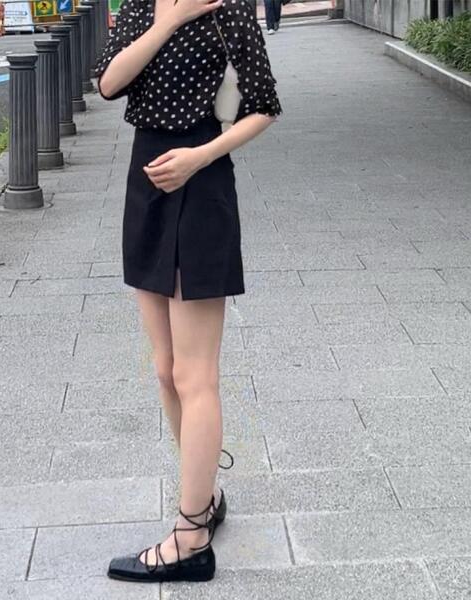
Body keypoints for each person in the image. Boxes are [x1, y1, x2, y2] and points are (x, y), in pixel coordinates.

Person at [95, 0, 281, 584]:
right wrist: (168, 21)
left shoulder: (232, 13)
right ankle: (205, 493)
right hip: (146, 183)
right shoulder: (140, 9)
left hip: (200, 185)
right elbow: (108, 83)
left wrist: (200, 157)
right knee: (164, 368)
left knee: (194, 375)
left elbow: (264, 106)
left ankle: (192, 534)